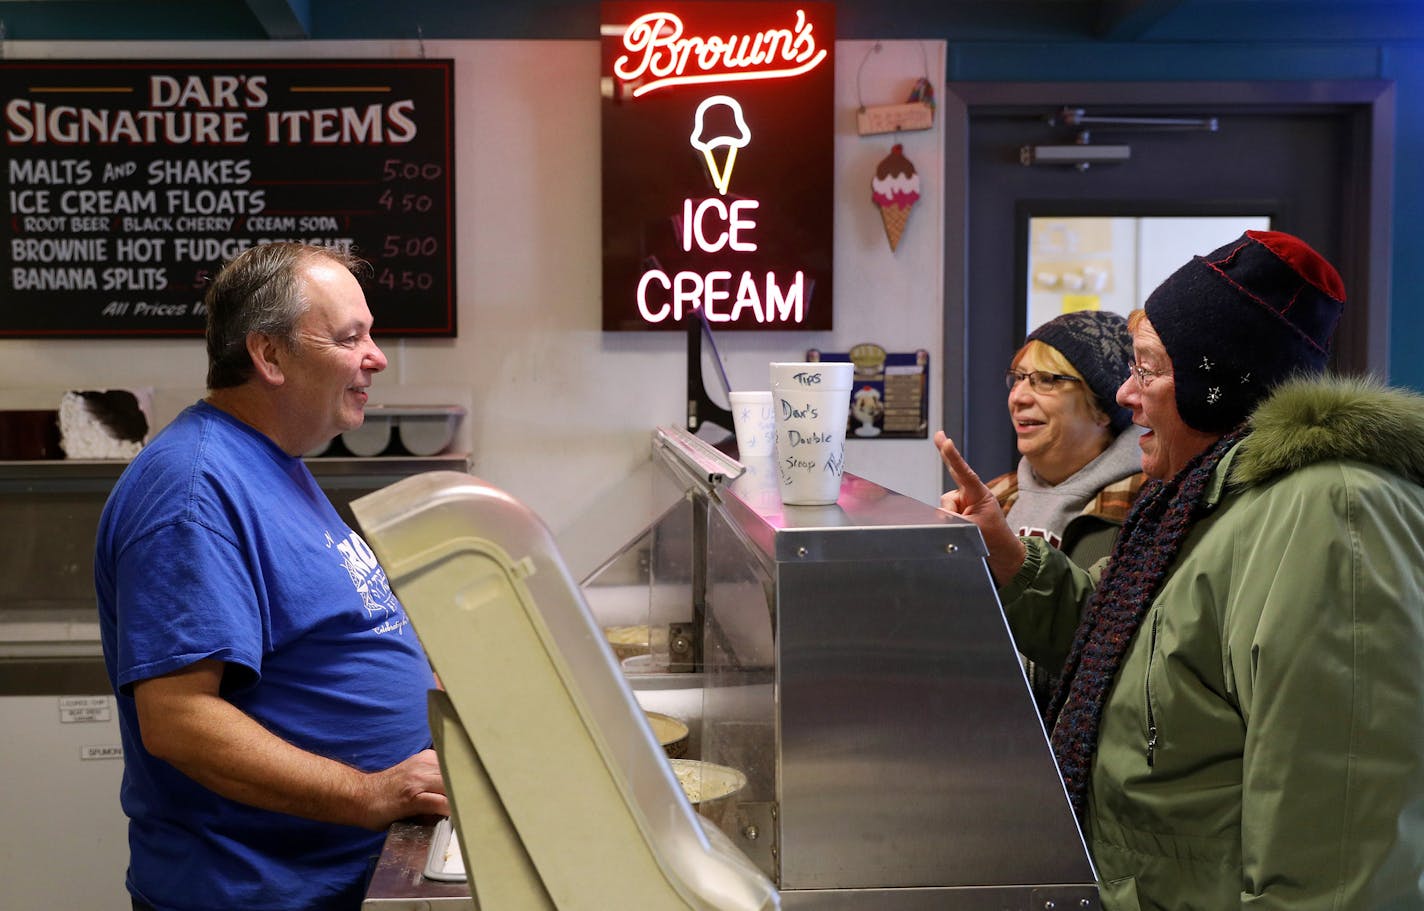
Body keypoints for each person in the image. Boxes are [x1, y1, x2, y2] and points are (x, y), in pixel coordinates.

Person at [935, 230, 1424, 909]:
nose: (1127, 395)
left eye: (1149, 370)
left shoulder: (1328, 514)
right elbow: (1130, 646)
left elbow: (1340, 850)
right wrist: (1010, 556)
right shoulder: (1197, 496)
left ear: (1216, 382)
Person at [95, 242, 449, 911]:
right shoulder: (194, 487)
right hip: (257, 892)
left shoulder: (273, 461)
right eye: (351, 337)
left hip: (338, 875)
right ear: (270, 355)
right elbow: (178, 719)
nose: (375, 356)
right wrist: (370, 792)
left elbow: (320, 633)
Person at [969, 309, 1146, 709]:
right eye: (1018, 378)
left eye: (1047, 380)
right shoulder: (994, 498)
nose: (1019, 397)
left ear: (1103, 407)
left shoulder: (1148, 502)